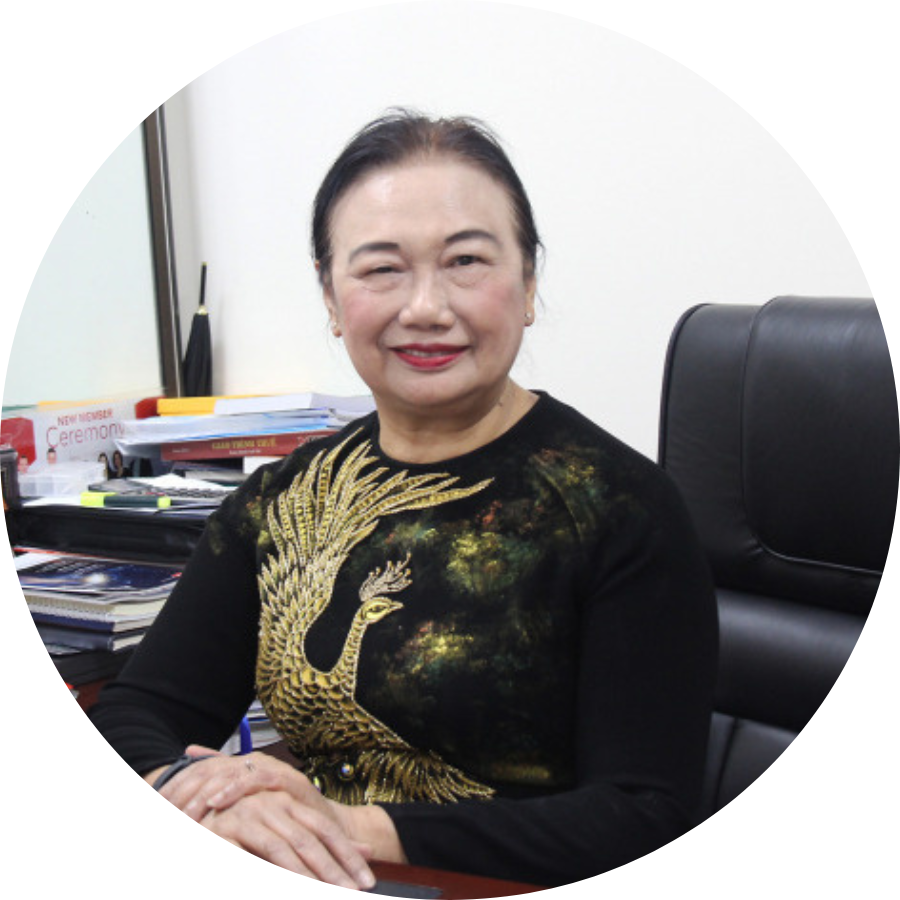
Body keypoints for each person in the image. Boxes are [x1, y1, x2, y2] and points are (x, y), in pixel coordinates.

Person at [89, 110, 718, 889]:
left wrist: (353, 829)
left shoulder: (618, 508)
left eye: (465, 261)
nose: (425, 307)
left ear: (528, 283)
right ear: (330, 295)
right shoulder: (281, 501)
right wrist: (198, 795)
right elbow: (135, 713)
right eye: (382, 268)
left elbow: (645, 815)